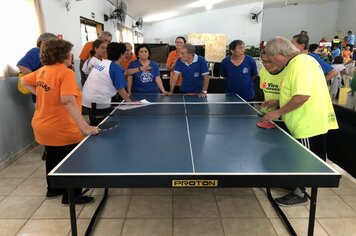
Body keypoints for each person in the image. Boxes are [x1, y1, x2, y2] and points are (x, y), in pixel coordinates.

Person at [262, 36, 339, 207]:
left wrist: (277, 112)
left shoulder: (300, 64)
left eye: (272, 57)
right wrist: (277, 101)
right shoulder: (300, 61)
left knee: (302, 160)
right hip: (305, 119)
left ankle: (300, 193)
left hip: (307, 122)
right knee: (297, 158)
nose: (272, 62)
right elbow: (298, 91)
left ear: (280, 54)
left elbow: (302, 96)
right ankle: (294, 184)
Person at [21, 38, 98, 204]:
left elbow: (23, 80)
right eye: (70, 52)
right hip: (61, 127)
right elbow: (67, 100)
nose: (72, 55)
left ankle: (53, 189)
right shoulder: (66, 72)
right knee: (76, 161)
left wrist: (41, 95)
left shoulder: (43, 71)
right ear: (63, 54)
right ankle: (72, 196)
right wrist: (84, 126)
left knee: (53, 157)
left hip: (42, 125)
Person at [17, 32, 57, 161]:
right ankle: (49, 150)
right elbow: (22, 65)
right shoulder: (36, 51)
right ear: (43, 43)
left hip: (49, 96)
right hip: (42, 97)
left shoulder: (49, 55)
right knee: (49, 123)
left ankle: (51, 148)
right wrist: (38, 86)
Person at [82, 42, 132, 126]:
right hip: (99, 101)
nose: (126, 55)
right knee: (102, 126)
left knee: (95, 123)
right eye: (124, 53)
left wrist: (140, 69)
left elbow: (125, 72)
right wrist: (130, 102)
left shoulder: (104, 63)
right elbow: (120, 89)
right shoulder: (115, 68)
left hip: (87, 99)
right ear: (121, 55)